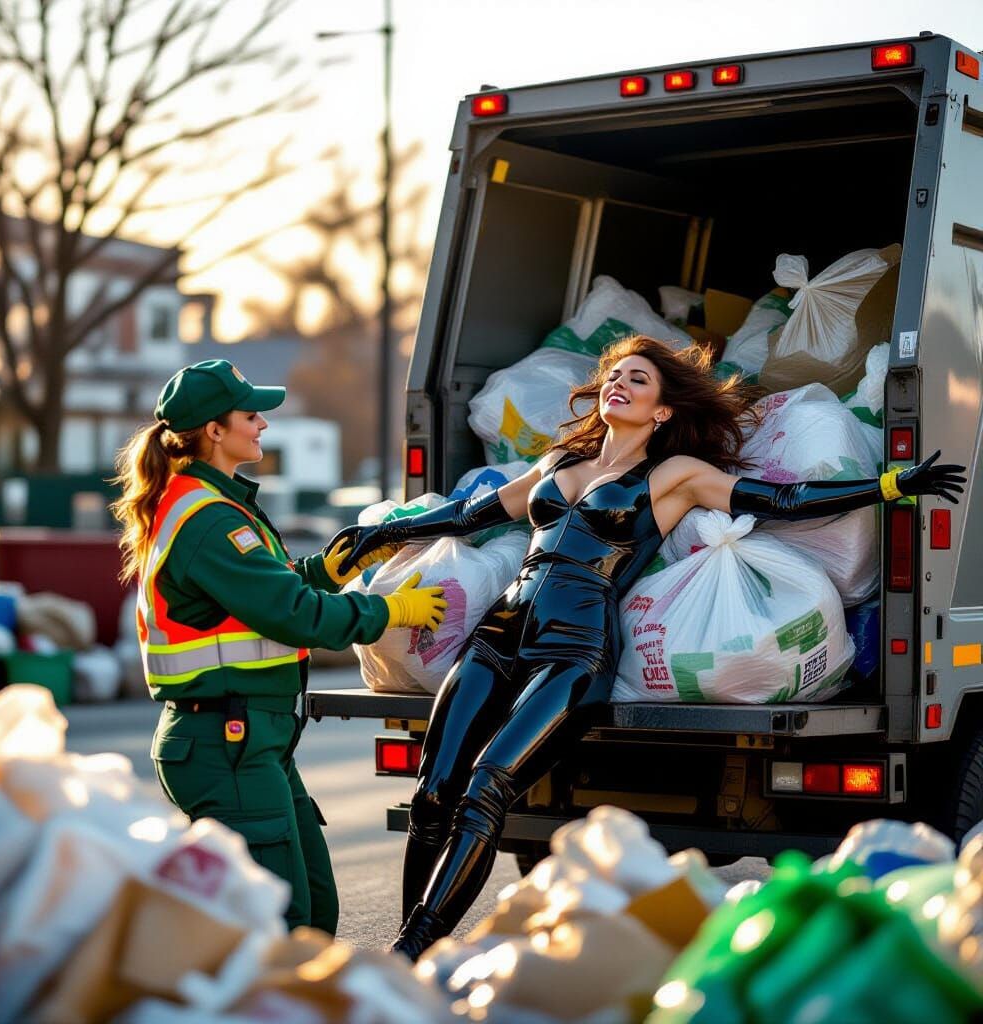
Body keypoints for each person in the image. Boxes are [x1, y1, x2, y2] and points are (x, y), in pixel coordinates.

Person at [331, 335, 966, 959]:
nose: (619, 385)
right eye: (614, 375)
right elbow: (471, 514)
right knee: (433, 793)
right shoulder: (558, 465)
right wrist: (383, 532)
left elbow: (779, 501)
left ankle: (418, 944)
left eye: (638, 379)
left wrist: (889, 485)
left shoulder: (674, 476)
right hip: (499, 634)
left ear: (663, 410)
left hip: (574, 651)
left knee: (487, 790)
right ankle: (405, 949)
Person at [112, 359, 448, 935]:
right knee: (280, 922)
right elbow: (291, 614)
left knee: (313, 907)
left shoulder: (218, 504)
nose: (263, 423)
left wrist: (327, 570)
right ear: (214, 430)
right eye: (251, 414)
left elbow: (264, 594)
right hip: (223, 744)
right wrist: (391, 612)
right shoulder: (208, 519)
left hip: (249, 740)